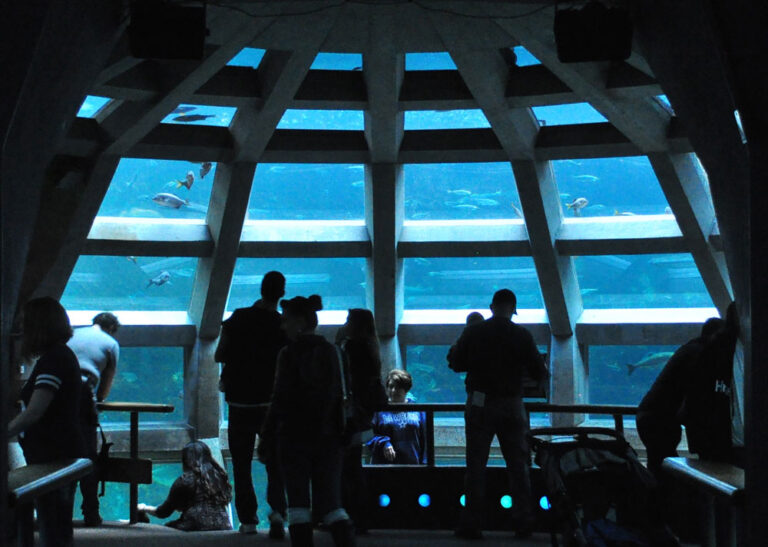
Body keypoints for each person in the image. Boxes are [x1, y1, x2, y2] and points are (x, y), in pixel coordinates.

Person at [448, 289, 547, 540]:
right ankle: (524, 521)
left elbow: (456, 363)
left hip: (480, 402)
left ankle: (472, 522)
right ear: (513, 309)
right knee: (518, 465)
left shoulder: (474, 331)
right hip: (513, 404)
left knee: (475, 465)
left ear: (492, 307)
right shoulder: (521, 334)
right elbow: (538, 370)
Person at [262, 295, 356, 547]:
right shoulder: (336, 353)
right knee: (332, 505)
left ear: (300, 322)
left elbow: (279, 398)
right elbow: (346, 394)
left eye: (286, 321)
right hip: (330, 436)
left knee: (298, 504)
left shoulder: (288, 354)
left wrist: (267, 435)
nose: (283, 326)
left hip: (293, 437)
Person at [8, 297, 87, 547]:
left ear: (38, 326)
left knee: (54, 527)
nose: (21, 331)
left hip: (55, 456)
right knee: (55, 524)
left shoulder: (54, 360)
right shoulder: (58, 357)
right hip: (55, 453)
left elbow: (34, 412)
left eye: (25, 325)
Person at [215, 271, 288, 537]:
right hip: (270, 405)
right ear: (282, 293)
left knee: (241, 464)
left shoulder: (237, 318)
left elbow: (219, 354)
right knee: (276, 462)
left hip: (239, 403)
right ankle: (278, 513)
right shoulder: (282, 325)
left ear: (260, 289)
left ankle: (248, 520)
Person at [636, 317, 724, 475]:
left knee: (660, 470)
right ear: (716, 335)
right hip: (659, 422)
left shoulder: (690, 348)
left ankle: (655, 497)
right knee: (665, 474)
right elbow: (694, 395)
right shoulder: (703, 353)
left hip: (651, 418)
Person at [67, 311, 121, 526]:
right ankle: (90, 511)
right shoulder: (111, 343)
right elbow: (106, 382)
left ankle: (61, 510)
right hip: (81, 396)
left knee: (62, 454)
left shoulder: (72, 334)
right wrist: (98, 400)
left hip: (54, 394)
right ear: (111, 328)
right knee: (88, 456)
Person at [337, 309, 387, 533]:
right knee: (354, 467)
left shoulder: (352, 348)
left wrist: (338, 344)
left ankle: (350, 517)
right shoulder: (370, 347)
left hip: (351, 416)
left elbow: (346, 380)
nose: (345, 323)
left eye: (348, 320)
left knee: (347, 469)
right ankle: (360, 518)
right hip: (363, 415)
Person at [137, 441, 232, 531]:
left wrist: (144, 507)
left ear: (185, 460)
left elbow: (163, 512)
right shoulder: (219, 477)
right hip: (223, 526)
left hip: (194, 527)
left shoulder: (185, 481)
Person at [368, 369, 427, 465]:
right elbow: (369, 435)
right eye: (391, 386)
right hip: (383, 467)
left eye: (398, 387)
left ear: (406, 389)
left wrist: (425, 465)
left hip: (412, 466)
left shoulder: (418, 411)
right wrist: (384, 442)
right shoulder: (379, 411)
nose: (393, 390)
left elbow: (425, 441)